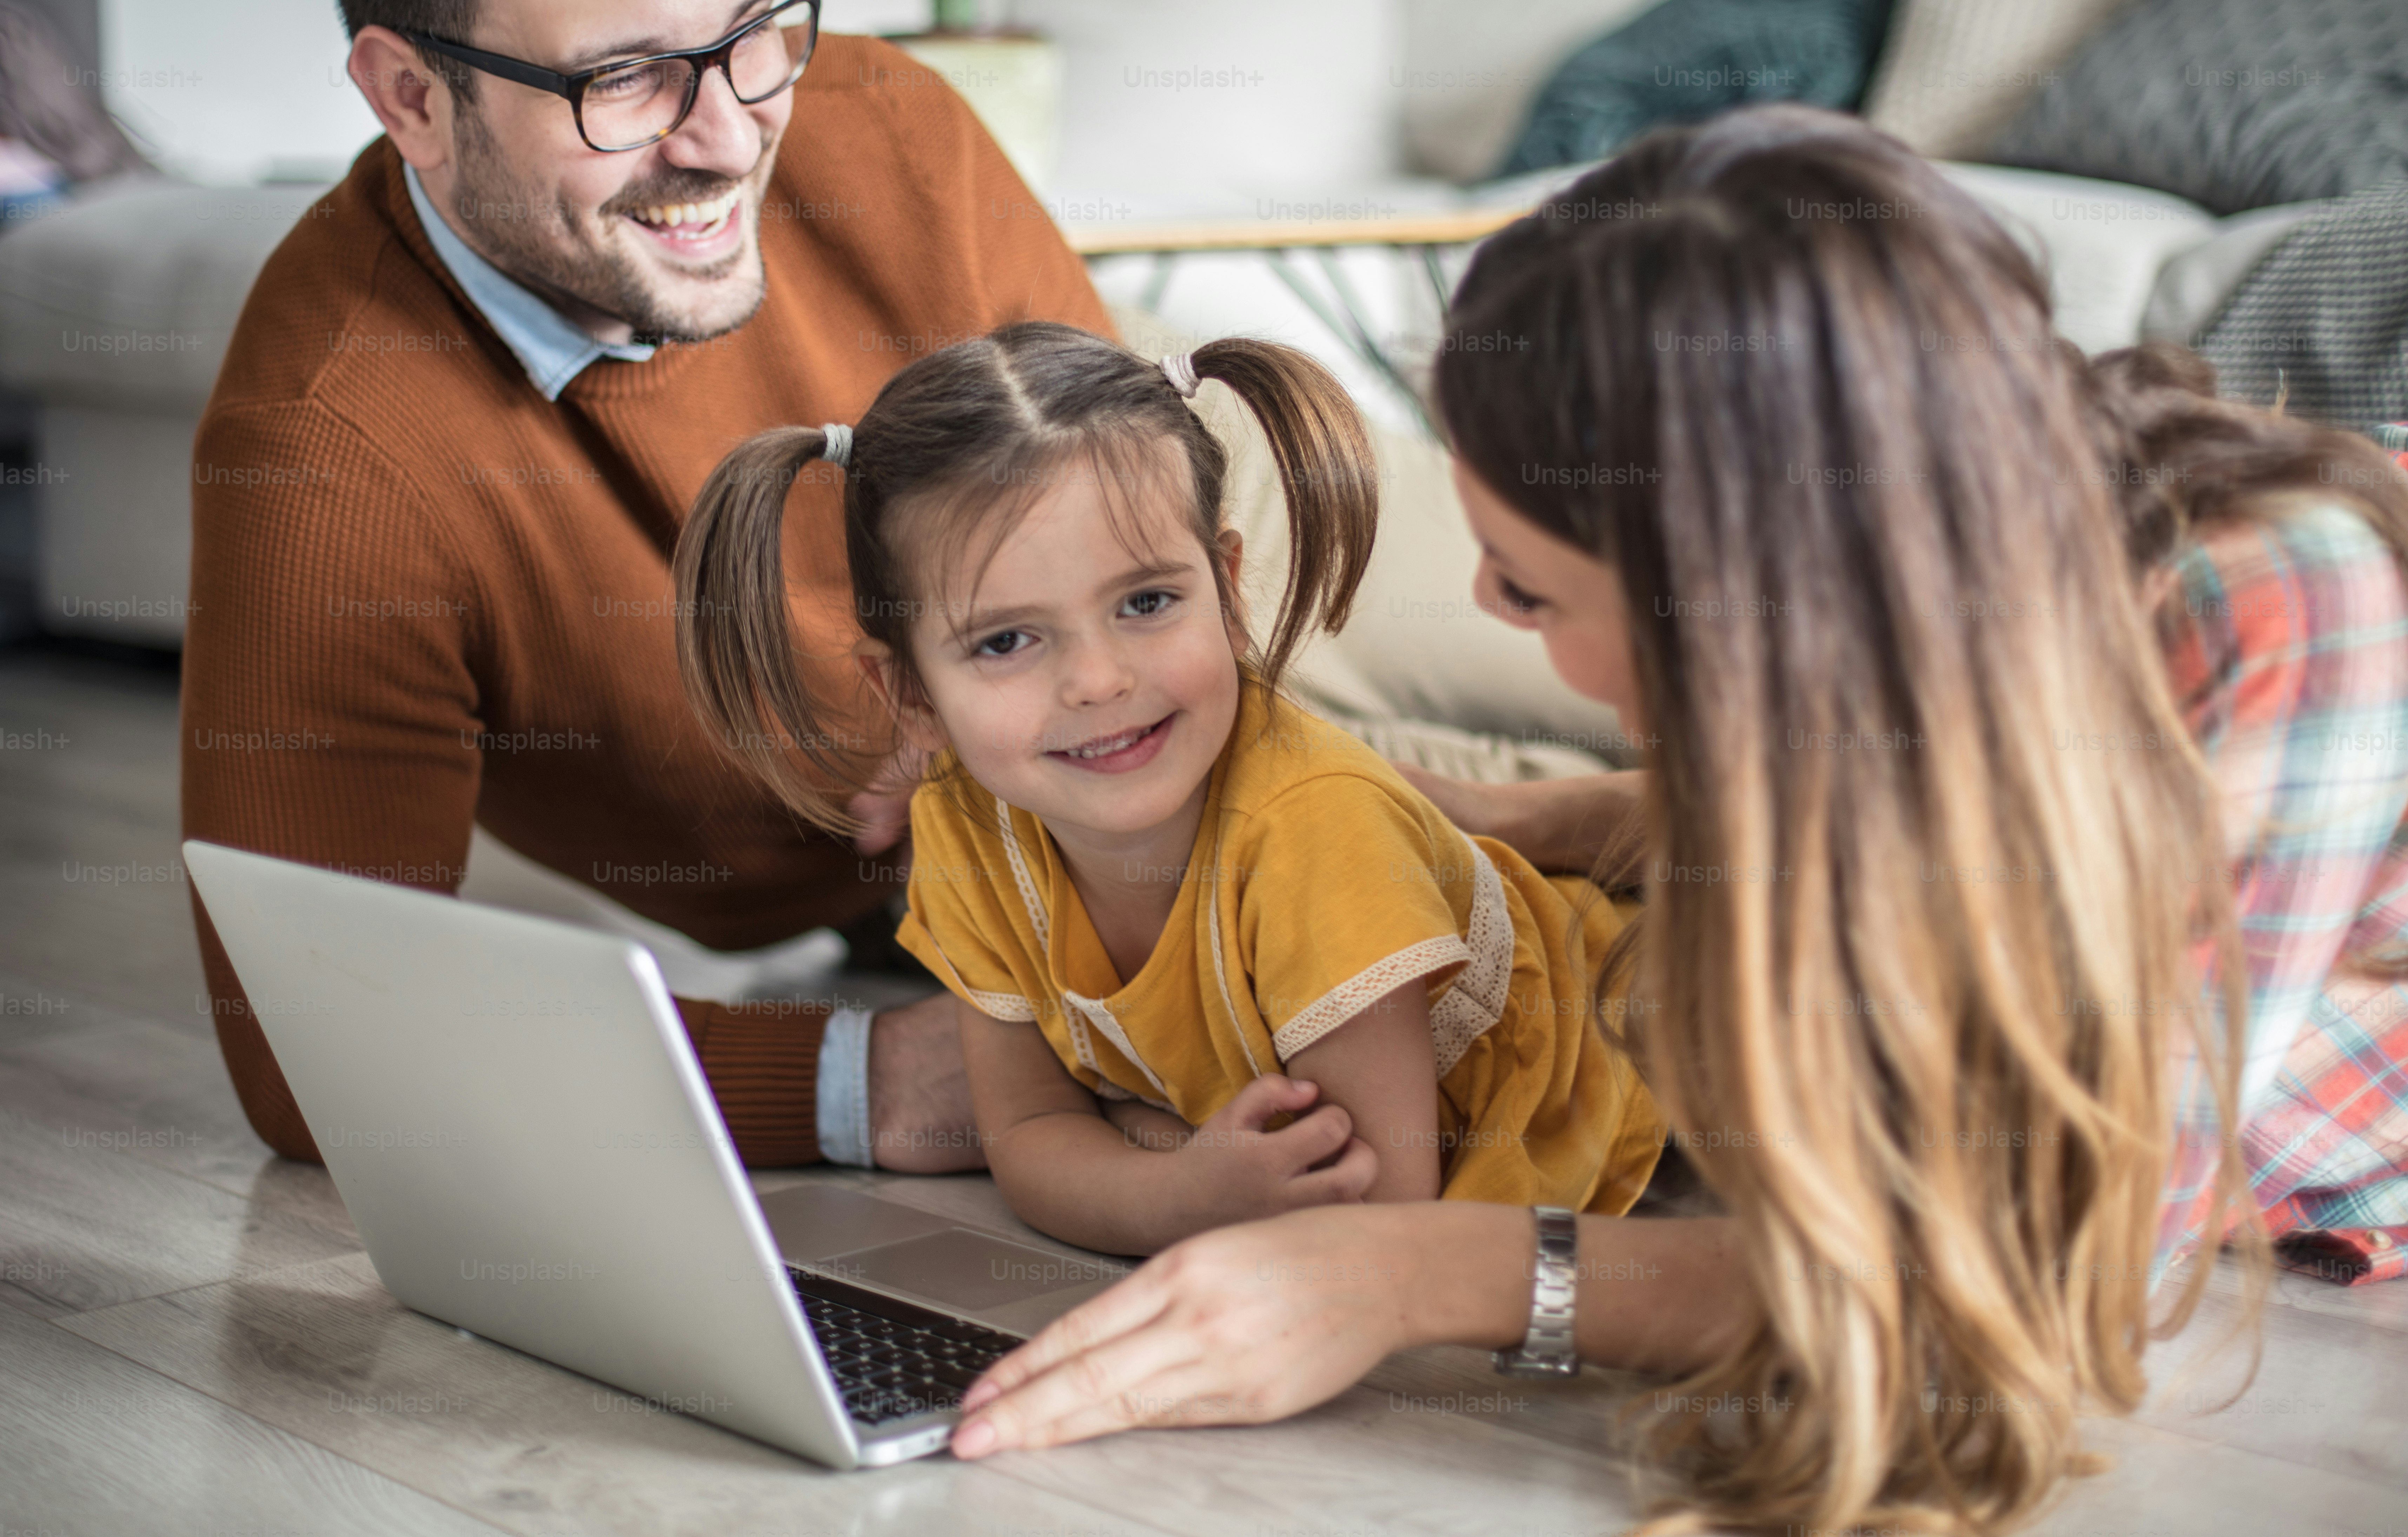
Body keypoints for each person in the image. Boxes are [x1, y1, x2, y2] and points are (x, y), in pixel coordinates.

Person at [939, 106, 2408, 1536]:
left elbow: (2015, 1295)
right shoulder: (1923, 596)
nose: (1493, 608)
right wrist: (1505, 812)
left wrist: (1409, 1273)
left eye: (1530, 589)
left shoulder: (2290, 613)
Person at [182, 0, 1111, 1172]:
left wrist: (984, 719)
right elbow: (318, 1042)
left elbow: (1160, 550)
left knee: (1515, 710)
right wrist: (869, 1082)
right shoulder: (329, 454)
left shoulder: (889, 126)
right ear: (411, 96)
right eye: (618, 79)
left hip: (1152, 716)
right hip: (958, 892)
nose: (730, 139)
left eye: (748, 34)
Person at [671, 324, 1663, 1255]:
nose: (1099, 681)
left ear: (1230, 593)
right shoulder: (969, 834)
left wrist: (1137, 1143)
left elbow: (1374, 1216)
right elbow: (1027, 1136)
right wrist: (1182, 1190)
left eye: (1147, 603)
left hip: (1673, 1055)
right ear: (913, 699)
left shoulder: (1313, 833)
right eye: (1006, 640)